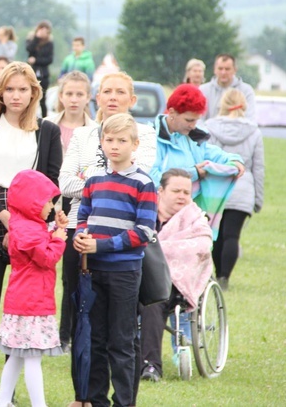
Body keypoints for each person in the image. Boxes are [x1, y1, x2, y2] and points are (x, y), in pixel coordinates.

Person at [0, 61, 62, 402]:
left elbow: (52, 184)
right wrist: (5, 218)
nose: (16, 95)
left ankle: (10, 390)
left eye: (23, 89)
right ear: (0, 93)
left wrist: (24, 224)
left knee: (20, 310)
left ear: (34, 92)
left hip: (33, 222)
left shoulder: (47, 131)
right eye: (10, 89)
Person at [60, 73, 156, 406]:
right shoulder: (94, 179)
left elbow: (144, 232)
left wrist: (102, 245)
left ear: (135, 145)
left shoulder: (143, 184)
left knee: (122, 339)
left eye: (121, 142)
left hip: (125, 271)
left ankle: (124, 401)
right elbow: (83, 213)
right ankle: (95, 398)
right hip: (93, 270)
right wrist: (83, 235)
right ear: (101, 143)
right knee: (95, 337)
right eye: (109, 141)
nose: (114, 147)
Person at [0, 170, 67, 407]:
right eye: (47, 201)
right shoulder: (27, 230)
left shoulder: (26, 225)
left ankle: (2, 401)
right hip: (30, 304)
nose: (51, 206)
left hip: (26, 302)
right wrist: (59, 239)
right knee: (32, 357)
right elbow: (46, 258)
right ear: (31, 202)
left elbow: (39, 238)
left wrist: (55, 227)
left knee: (16, 356)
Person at [138, 168, 213, 382]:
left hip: (174, 283)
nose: (182, 196)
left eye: (186, 192)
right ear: (160, 190)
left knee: (153, 302)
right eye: (176, 190)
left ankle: (150, 366)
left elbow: (201, 245)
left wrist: (157, 248)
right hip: (136, 277)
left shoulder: (195, 219)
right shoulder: (143, 214)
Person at [47, 71, 94, 348]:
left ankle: (70, 333)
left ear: (88, 97)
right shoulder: (47, 125)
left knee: (73, 272)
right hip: (51, 202)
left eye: (79, 94)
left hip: (78, 203)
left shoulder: (97, 129)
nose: (74, 99)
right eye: (69, 94)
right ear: (60, 96)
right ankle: (55, 331)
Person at [205, 89, 264, 290]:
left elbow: (206, 158)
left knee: (216, 234)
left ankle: (215, 270)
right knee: (232, 236)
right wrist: (258, 198)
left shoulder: (210, 127)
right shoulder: (254, 132)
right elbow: (258, 167)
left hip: (217, 186)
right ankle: (224, 277)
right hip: (243, 187)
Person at [149, 83, 244, 189]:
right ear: (172, 112)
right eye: (189, 120)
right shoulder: (150, 138)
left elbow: (217, 154)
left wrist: (235, 160)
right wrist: (192, 174)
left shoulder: (193, 139)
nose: (193, 126)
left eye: (196, 120)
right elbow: (150, 178)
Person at [200, 54, 256, 121]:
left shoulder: (246, 90)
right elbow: (199, 118)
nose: (223, 72)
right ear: (214, 70)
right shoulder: (203, 90)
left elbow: (250, 117)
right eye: (220, 68)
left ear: (235, 70)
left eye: (227, 69)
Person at [26, 20, 54, 118]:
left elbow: (49, 59)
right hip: (31, 72)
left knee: (42, 99)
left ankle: (44, 118)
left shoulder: (49, 44)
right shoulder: (31, 39)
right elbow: (29, 49)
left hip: (43, 74)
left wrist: (36, 60)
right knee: (29, 97)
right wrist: (36, 38)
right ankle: (29, 116)